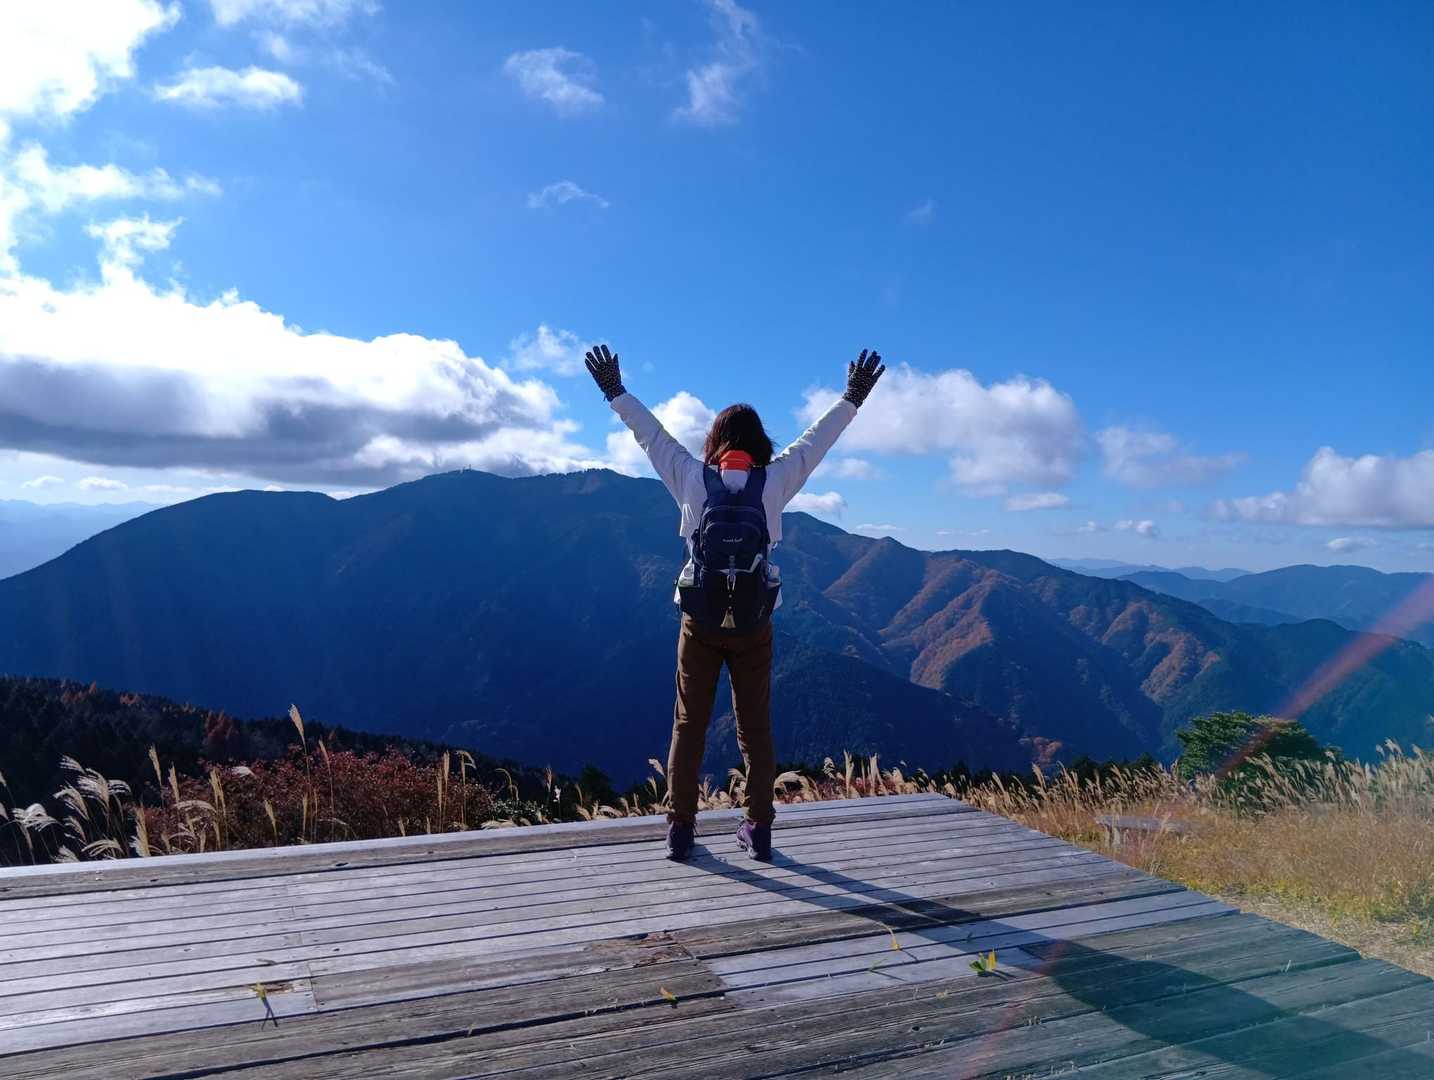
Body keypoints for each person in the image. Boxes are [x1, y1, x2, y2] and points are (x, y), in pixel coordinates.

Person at [584, 344, 885, 861]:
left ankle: (680, 829)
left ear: (715, 441)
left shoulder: (689, 476)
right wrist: (852, 398)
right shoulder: (775, 482)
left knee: (688, 725)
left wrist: (615, 391)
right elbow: (816, 441)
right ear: (759, 442)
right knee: (755, 729)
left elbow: (650, 435)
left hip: (698, 621)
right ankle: (759, 828)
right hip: (753, 624)